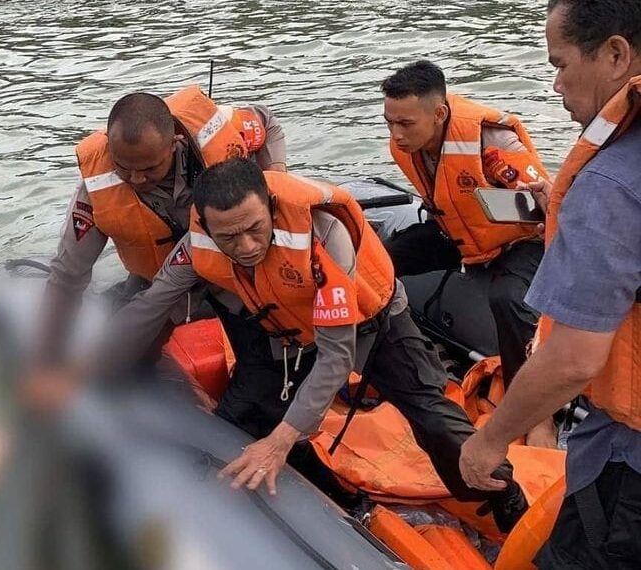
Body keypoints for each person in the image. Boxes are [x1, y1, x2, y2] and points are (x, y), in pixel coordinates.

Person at [93, 158, 529, 532]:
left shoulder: (322, 234)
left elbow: (338, 354)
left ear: (270, 206)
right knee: (245, 416)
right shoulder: (199, 243)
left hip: (372, 329)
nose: (244, 247)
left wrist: (280, 440)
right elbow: (151, 305)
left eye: (253, 230)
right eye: (228, 237)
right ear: (206, 225)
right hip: (290, 334)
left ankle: (508, 501)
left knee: (433, 417)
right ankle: (334, 495)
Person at [459, 0, 641, 567]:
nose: (556, 84)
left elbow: (573, 359)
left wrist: (489, 441)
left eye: (560, 64)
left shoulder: (609, 184)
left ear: (615, 54)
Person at [31, 86, 288, 370]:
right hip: (158, 280)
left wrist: (275, 181)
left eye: (151, 169)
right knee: (123, 365)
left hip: (232, 273)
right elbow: (69, 274)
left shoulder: (213, 134)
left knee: (266, 372)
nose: (137, 179)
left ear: (175, 143)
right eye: (124, 168)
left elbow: (266, 121)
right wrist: (45, 358)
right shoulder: (97, 188)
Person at [381, 61, 558, 447]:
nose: (396, 134)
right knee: (379, 261)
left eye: (405, 124)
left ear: (439, 113)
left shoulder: (493, 142)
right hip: (457, 233)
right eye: (389, 123)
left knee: (508, 299)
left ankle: (539, 417)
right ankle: (397, 360)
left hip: (517, 242)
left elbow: (550, 202)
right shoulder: (406, 146)